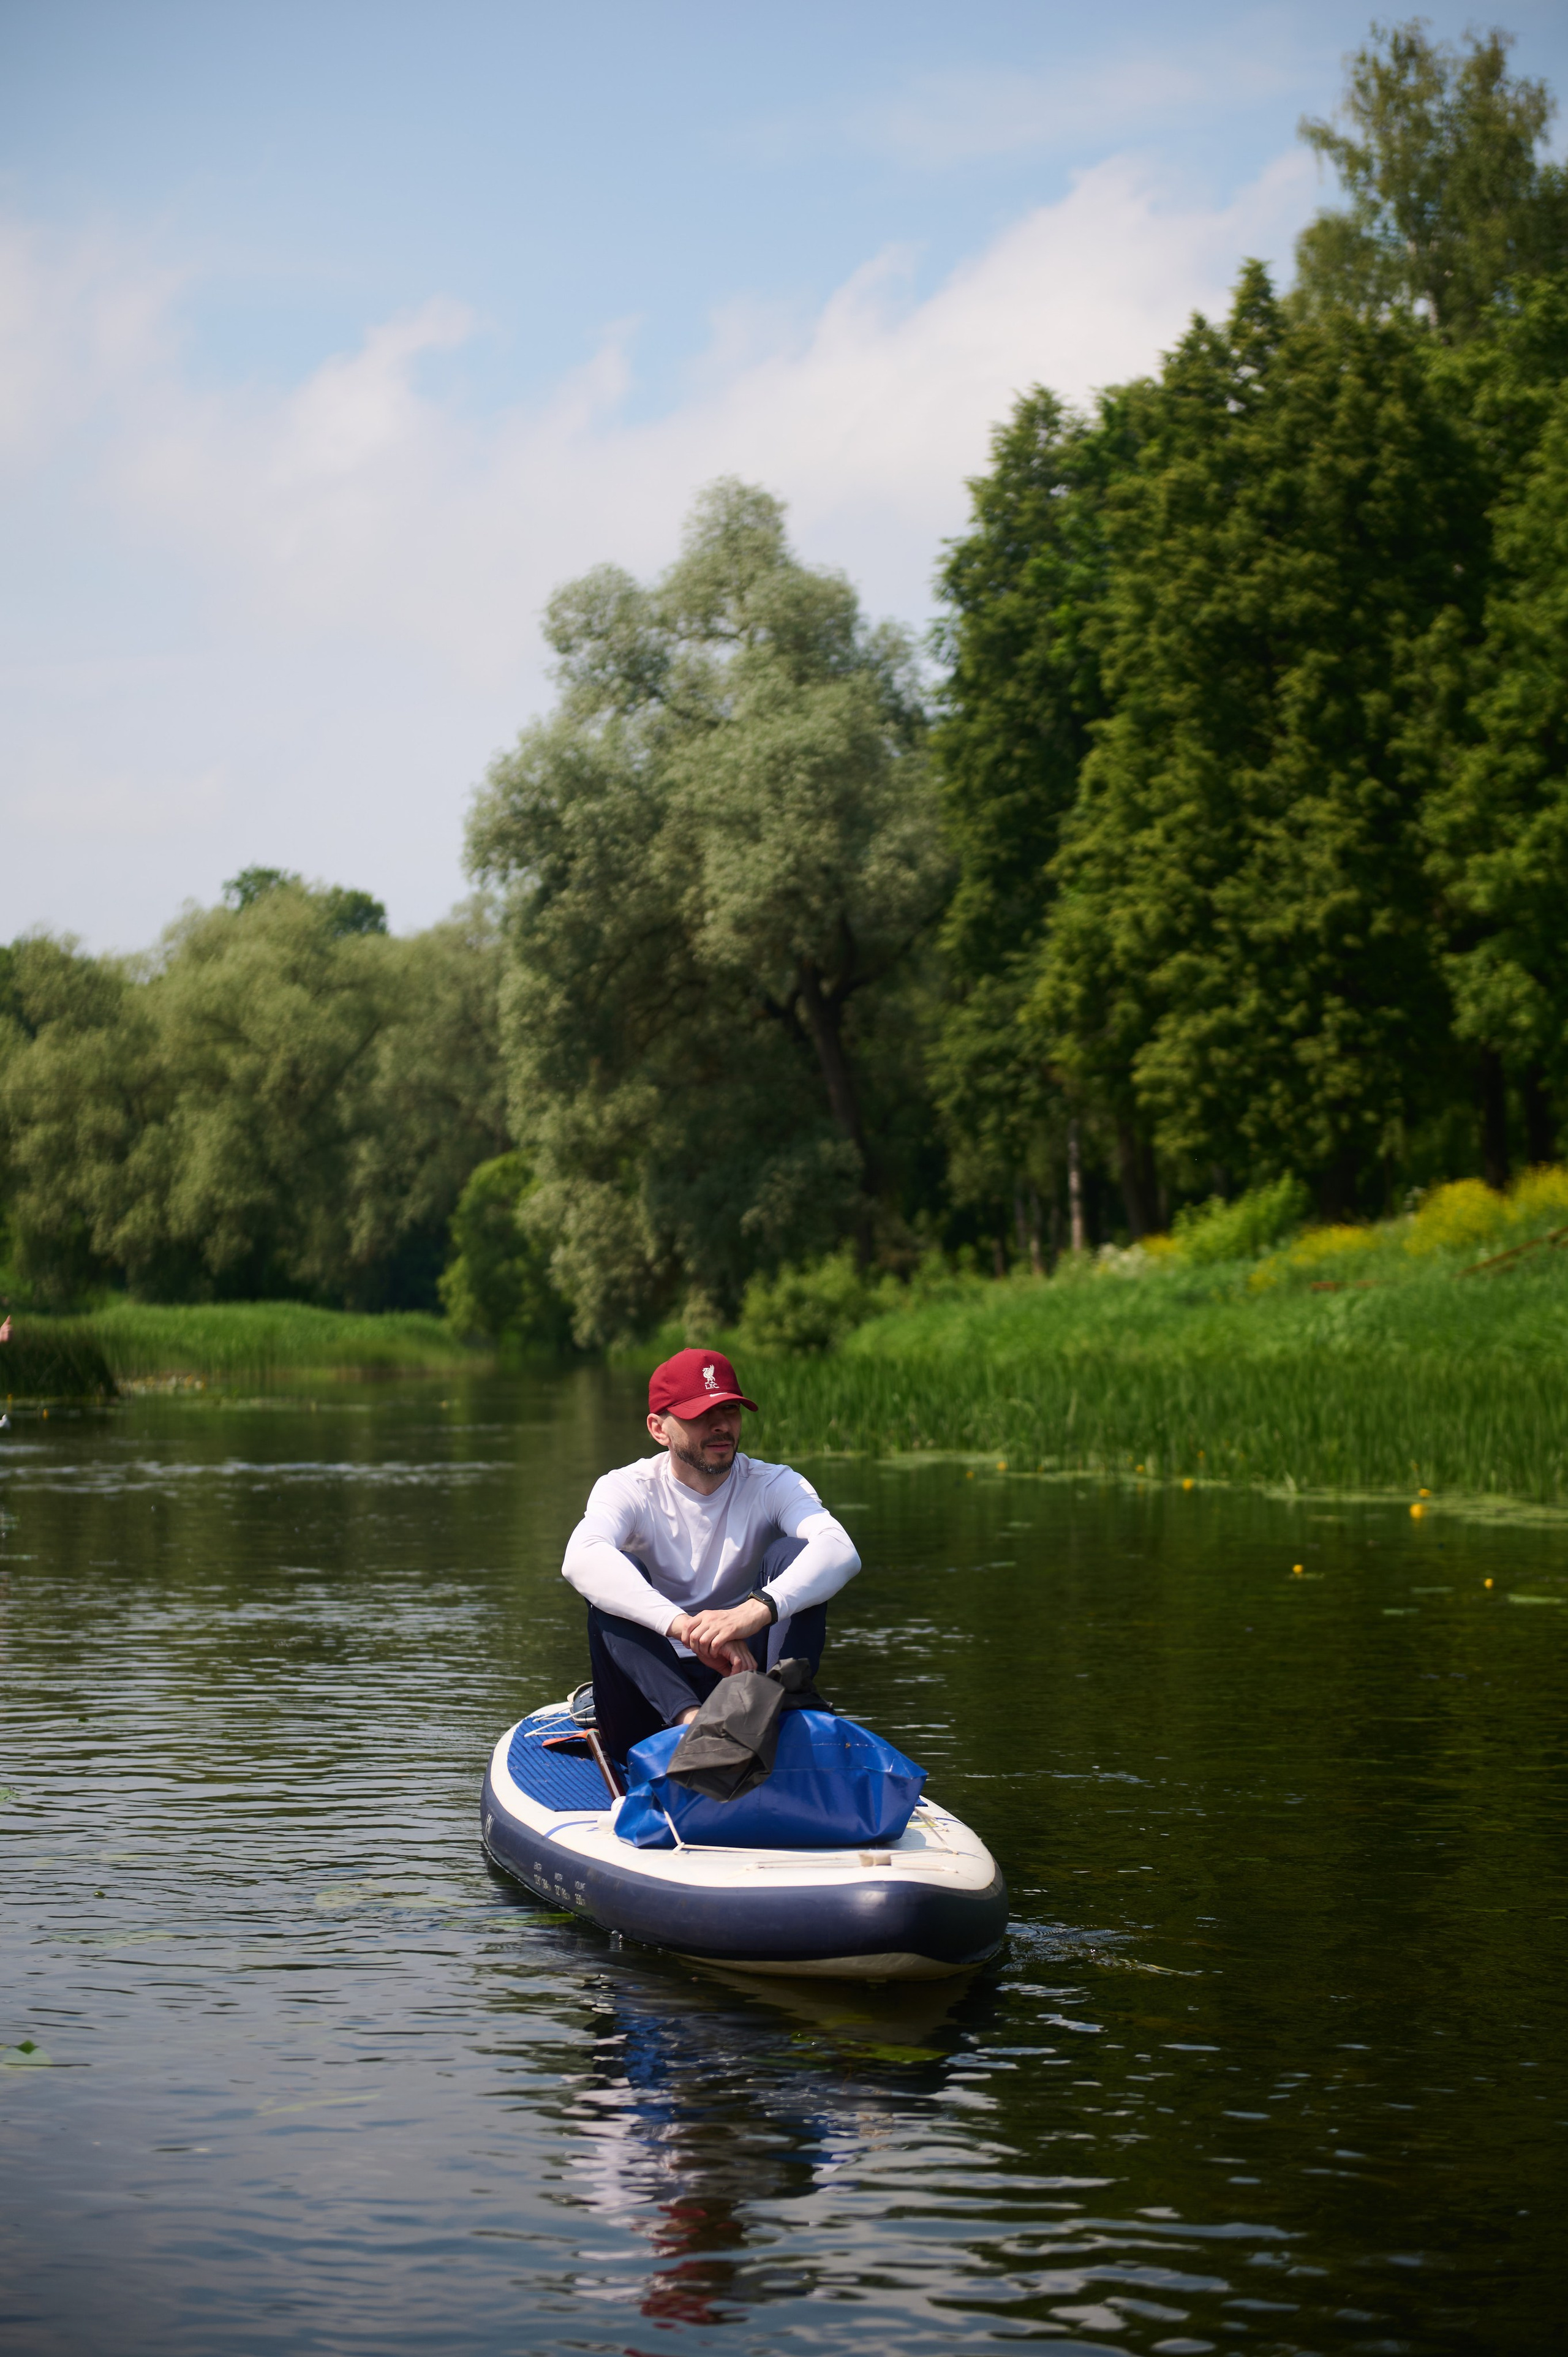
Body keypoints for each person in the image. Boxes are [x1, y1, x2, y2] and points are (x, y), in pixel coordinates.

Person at [561, 1346, 861, 1763]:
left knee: (797, 1553)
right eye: (701, 1415)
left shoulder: (774, 1484)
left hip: (746, 1681)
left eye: (731, 1410)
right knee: (612, 1580)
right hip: (650, 1695)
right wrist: (685, 1628)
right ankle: (692, 1724)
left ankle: (783, 1711)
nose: (721, 1426)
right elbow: (580, 1558)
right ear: (658, 1428)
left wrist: (753, 1612)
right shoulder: (626, 1488)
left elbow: (840, 1550)